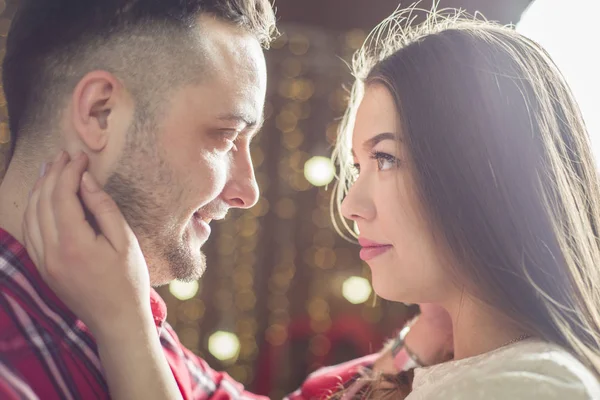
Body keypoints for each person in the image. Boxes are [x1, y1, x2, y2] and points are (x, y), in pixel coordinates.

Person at [0, 0, 450, 399]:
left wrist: (429, 331)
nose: (247, 192)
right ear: (100, 112)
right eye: (225, 136)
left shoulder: (107, 301)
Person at [329, 7, 600, 399]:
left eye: (385, 158)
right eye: (357, 167)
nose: (350, 205)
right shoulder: (483, 378)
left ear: (481, 172)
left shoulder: (530, 387)